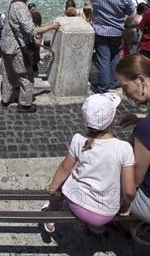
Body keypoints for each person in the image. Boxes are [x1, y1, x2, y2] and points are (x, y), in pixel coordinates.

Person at [42, 93, 136, 234]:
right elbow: (129, 191)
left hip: (76, 204)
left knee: (63, 181)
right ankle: (81, 222)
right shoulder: (124, 148)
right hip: (105, 214)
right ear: (113, 120)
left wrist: (52, 188)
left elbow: (64, 167)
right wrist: (126, 206)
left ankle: (52, 212)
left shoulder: (79, 140)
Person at [0, 0, 60, 113]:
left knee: (8, 74)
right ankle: (25, 104)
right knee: (26, 76)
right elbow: (32, 30)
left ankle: (5, 100)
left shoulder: (11, 3)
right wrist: (51, 26)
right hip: (18, 48)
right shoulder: (21, 7)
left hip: (6, 46)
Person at [89, 0, 135, 94]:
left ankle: (104, 88)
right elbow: (131, 12)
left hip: (100, 31)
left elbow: (93, 4)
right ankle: (114, 83)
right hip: (117, 31)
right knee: (115, 57)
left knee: (103, 59)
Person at [116, 54, 150, 225]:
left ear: (140, 80)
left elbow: (135, 181)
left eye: (124, 86)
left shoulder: (145, 128)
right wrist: (139, 117)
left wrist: (127, 203)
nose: (124, 93)